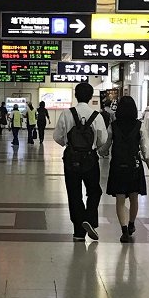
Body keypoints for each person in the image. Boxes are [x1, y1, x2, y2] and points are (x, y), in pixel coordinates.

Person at [53, 82, 108, 242]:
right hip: (90, 158)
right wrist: (93, 147)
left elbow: (57, 137)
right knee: (94, 191)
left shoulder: (66, 114)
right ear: (91, 97)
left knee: (74, 193)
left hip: (71, 158)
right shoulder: (96, 116)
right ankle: (89, 218)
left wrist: (68, 144)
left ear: (75, 95)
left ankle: (78, 232)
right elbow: (103, 139)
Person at [99, 96, 149, 243]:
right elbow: (145, 148)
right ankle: (131, 225)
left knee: (120, 199)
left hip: (117, 165)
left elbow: (106, 145)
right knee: (134, 197)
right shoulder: (139, 125)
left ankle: (124, 230)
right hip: (134, 166)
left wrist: (101, 152)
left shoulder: (113, 125)